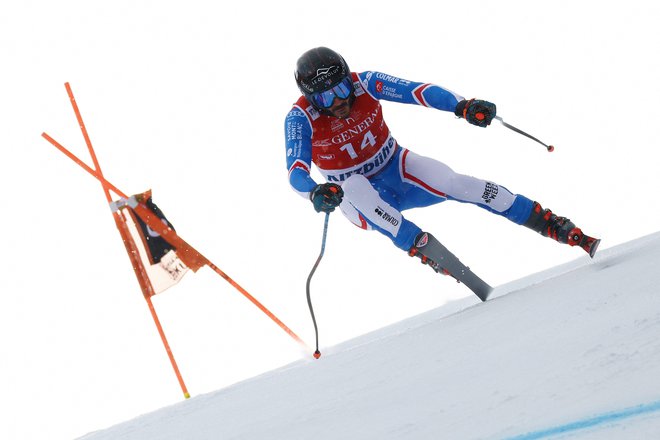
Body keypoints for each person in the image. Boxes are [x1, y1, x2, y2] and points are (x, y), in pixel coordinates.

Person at [284, 47, 599, 279]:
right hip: (362, 203)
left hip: (397, 169)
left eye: (340, 89)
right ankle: (419, 245)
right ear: (311, 98)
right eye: (325, 98)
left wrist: (460, 106)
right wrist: (314, 192)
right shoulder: (300, 118)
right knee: (352, 185)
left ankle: (551, 224)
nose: (338, 101)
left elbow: (416, 91)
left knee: (457, 183)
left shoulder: (365, 83)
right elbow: (296, 171)